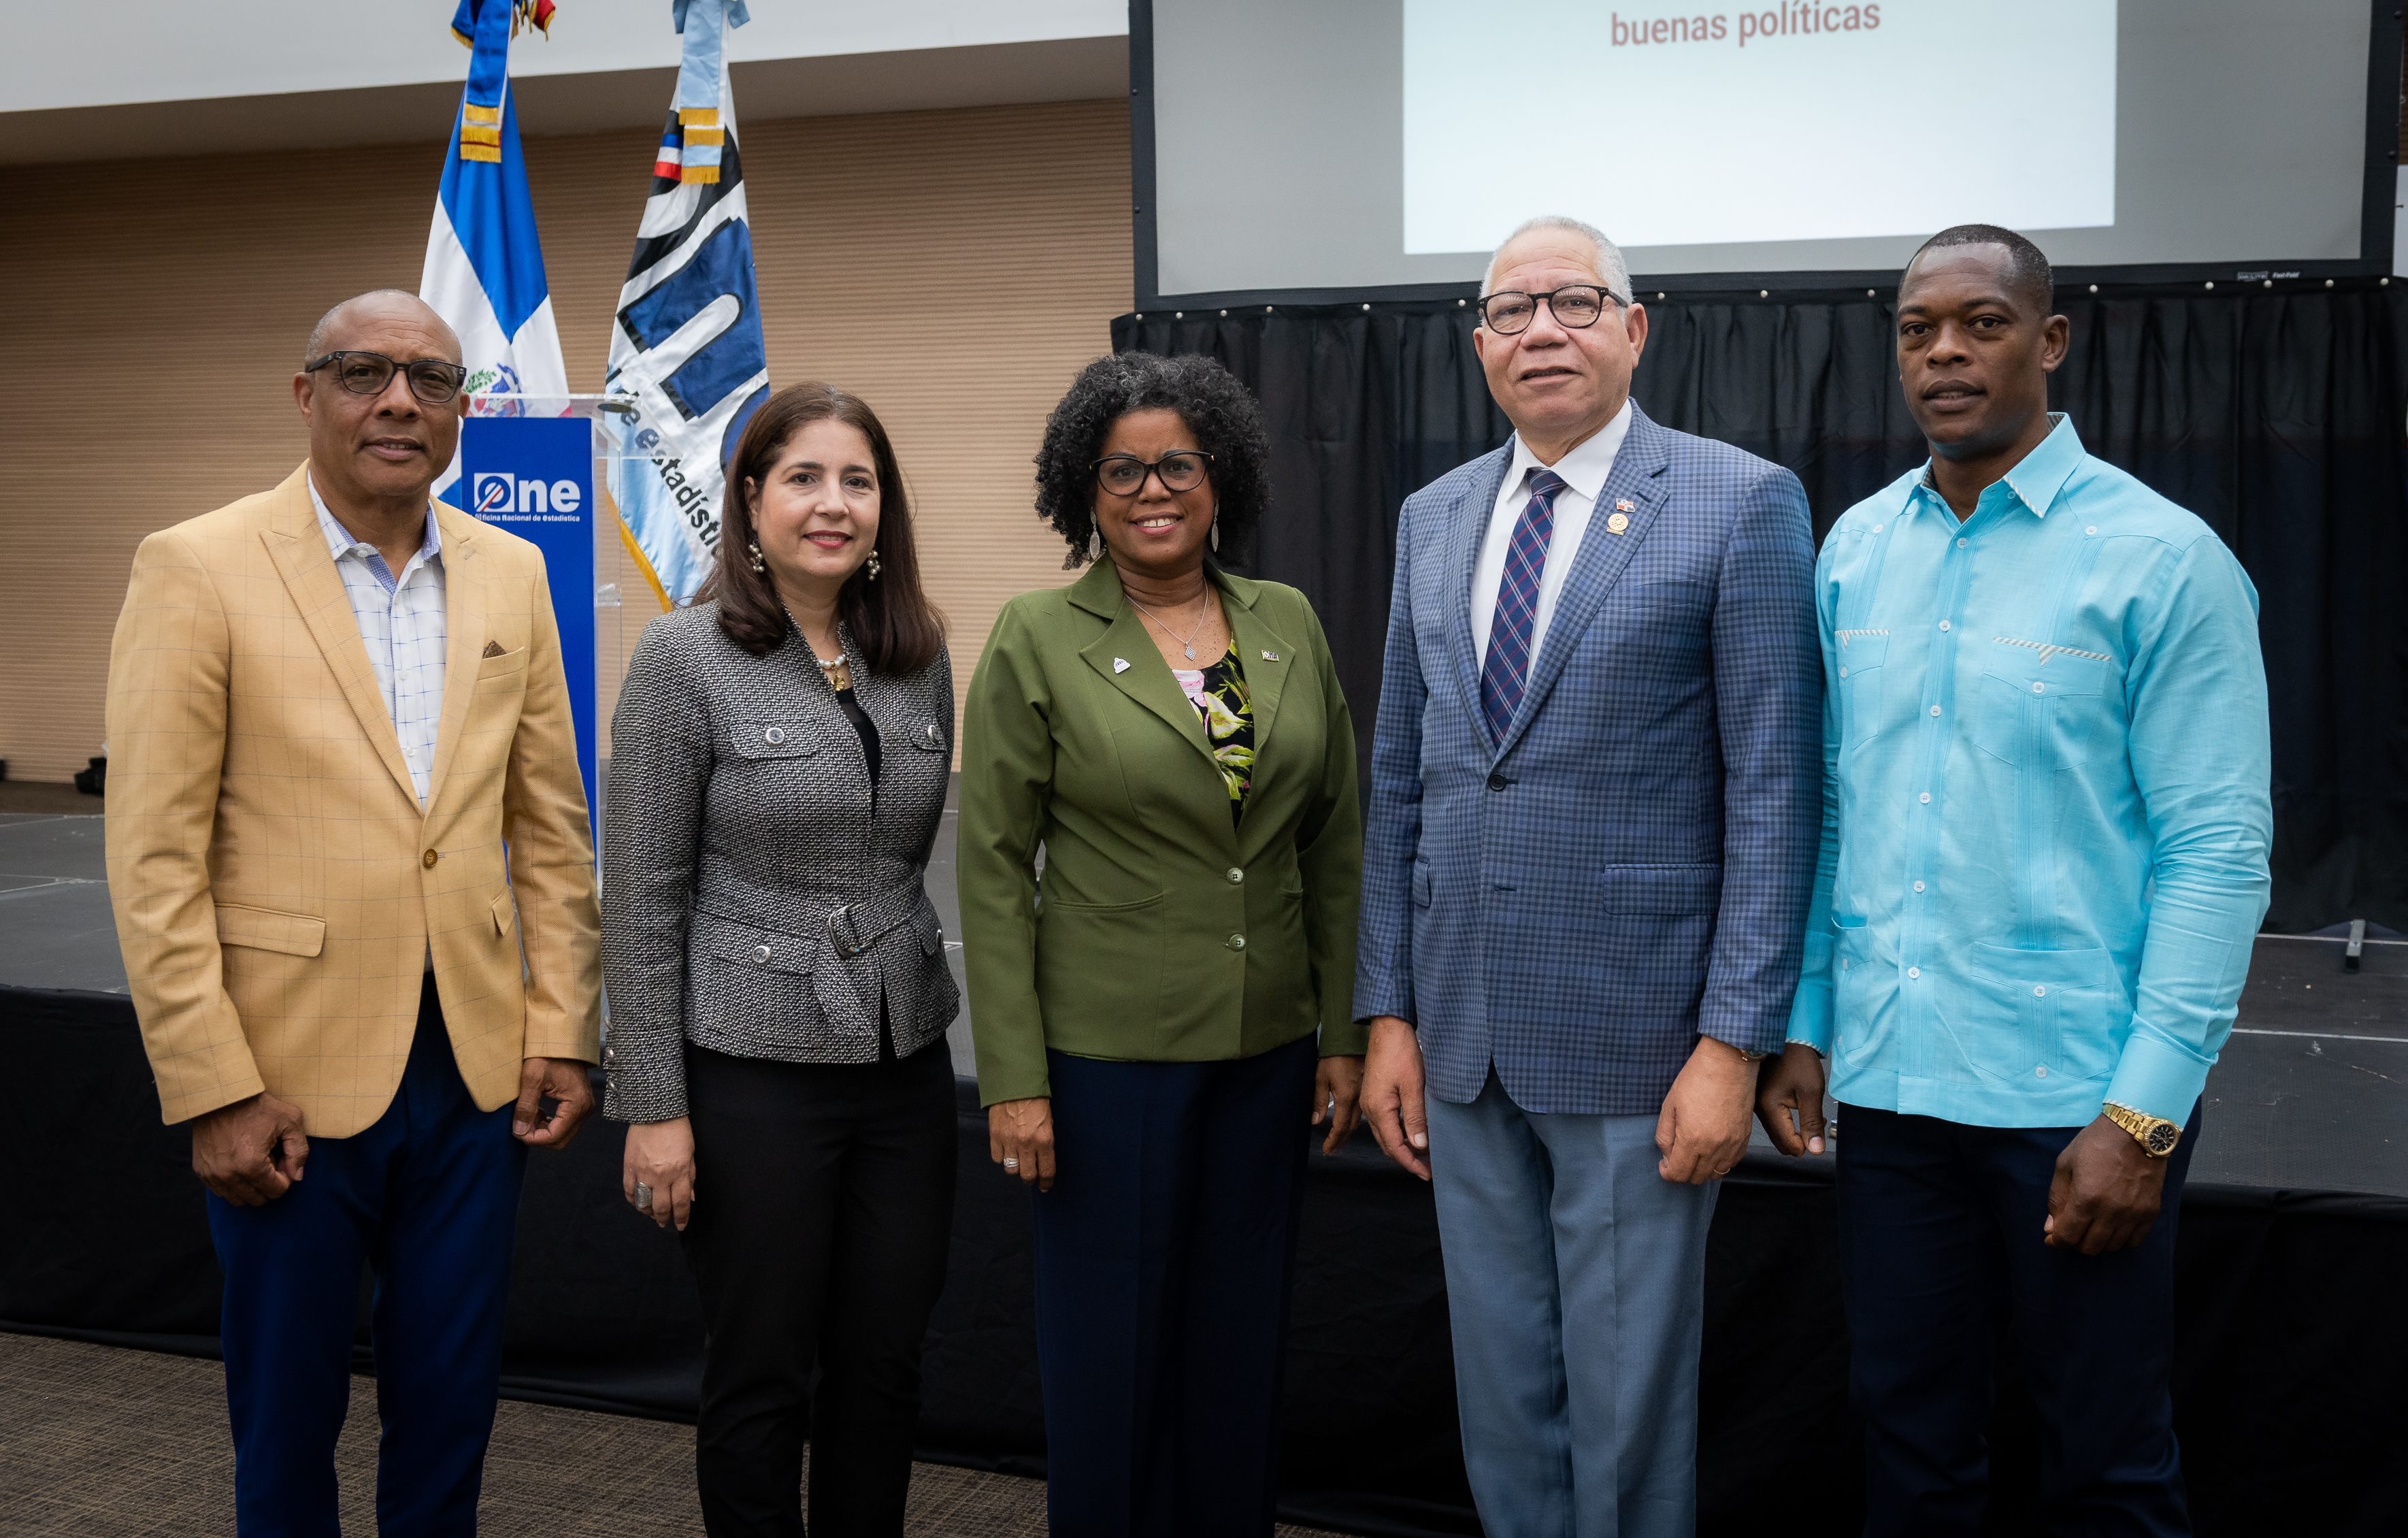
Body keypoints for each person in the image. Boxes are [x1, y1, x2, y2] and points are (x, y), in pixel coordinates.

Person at [1755, 225, 2271, 1535]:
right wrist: (1807, 1019)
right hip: (1890, 1089)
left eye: (1981, 323)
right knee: (1909, 1441)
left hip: (2076, 1103)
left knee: (2105, 1456)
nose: (1943, 352)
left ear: (2049, 344)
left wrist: (2144, 1119)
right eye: (1918, 327)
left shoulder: (2165, 562)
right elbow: (1833, 811)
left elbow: (2218, 858)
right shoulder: (1856, 551)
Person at [102, 289, 602, 1534]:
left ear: (459, 415)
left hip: (478, 1075)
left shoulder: (516, 572)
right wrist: (213, 1084)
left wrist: (564, 1026)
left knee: (450, 1407)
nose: (398, 402)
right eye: (363, 373)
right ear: (307, 395)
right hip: (283, 1076)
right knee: (287, 1418)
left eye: (430, 382)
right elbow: (155, 856)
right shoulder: (197, 565)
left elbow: (549, 829)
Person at [1355, 216, 1821, 1537]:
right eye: (1510, 310)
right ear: (1480, 343)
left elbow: (1776, 789)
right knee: (1501, 1391)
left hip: (1646, 1041)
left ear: (1635, 326)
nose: (1541, 329)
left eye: (1574, 300)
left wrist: (1736, 1040)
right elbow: (1404, 776)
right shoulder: (1432, 516)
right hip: (1463, 1032)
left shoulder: (1737, 501)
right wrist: (1388, 1008)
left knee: (1625, 1405)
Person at [957, 351, 1364, 1536]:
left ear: (1221, 475)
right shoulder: (1039, 636)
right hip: (1104, 1064)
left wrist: (1342, 1033)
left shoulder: (1279, 619)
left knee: (1239, 1343)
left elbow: (1332, 843)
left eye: (1176, 463)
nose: (1152, 488)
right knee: (1111, 1352)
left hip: (1272, 1049)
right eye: (1120, 468)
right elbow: (991, 871)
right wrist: (1016, 1083)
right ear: (1082, 491)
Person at [601, 382, 959, 1537]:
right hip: (751, 1069)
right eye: (803, 477)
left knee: (884, 1368)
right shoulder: (680, 659)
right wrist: (653, 1104)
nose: (833, 504)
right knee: (762, 1376)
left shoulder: (916, 655)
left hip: (903, 1066)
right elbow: (644, 898)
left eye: (858, 481)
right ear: (750, 500)